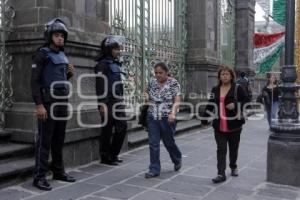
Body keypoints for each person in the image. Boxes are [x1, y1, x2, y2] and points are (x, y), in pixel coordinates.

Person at [31, 18, 76, 191]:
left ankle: (58, 171)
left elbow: (61, 79)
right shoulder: (41, 54)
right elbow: (34, 82)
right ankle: (39, 176)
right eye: (57, 35)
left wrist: (70, 74)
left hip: (62, 103)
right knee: (45, 141)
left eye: (62, 36)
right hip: (48, 103)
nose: (60, 39)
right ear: (50, 36)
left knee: (59, 139)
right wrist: (39, 105)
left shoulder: (62, 55)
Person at [201, 66, 249, 183]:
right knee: (221, 149)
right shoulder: (215, 89)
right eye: (222, 74)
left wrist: (236, 104)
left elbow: (247, 101)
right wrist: (204, 118)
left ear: (232, 76)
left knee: (233, 148)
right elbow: (211, 104)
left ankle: (233, 166)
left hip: (234, 124)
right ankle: (221, 173)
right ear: (219, 77)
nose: (224, 76)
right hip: (219, 124)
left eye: (227, 74)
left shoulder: (238, 88)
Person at [143, 62, 182, 178]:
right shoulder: (152, 82)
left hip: (167, 117)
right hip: (153, 116)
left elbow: (177, 100)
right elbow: (146, 91)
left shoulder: (173, 83)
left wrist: (173, 113)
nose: (158, 75)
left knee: (168, 142)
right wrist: (145, 96)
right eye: (156, 73)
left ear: (166, 72)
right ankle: (154, 169)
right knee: (153, 143)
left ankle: (177, 158)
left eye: (160, 73)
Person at [94, 35, 127, 166]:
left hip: (117, 100)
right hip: (107, 102)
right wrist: (102, 104)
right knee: (107, 130)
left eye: (118, 49)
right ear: (108, 49)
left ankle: (113, 154)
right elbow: (100, 85)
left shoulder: (115, 64)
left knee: (122, 127)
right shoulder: (102, 65)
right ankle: (105, 156)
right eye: (115, 49)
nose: (118, 51)